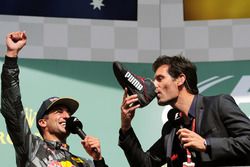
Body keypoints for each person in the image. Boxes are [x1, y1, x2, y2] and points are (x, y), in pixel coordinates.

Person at [118, 55, 250, 166]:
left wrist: (206, 144)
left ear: (180, 79)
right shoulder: (171, 129)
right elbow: (144, 164)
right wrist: (126, 127)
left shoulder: (218, 105)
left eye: (160, 79)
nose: (154, 86)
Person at [1, 31, 108, 167]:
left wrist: (98, 159)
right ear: (42, 122)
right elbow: (12, 107)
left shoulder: (85, 163)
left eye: (69, 113)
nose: (67, 116)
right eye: (59, 111)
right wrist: (11, 56)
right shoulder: (32, 148)